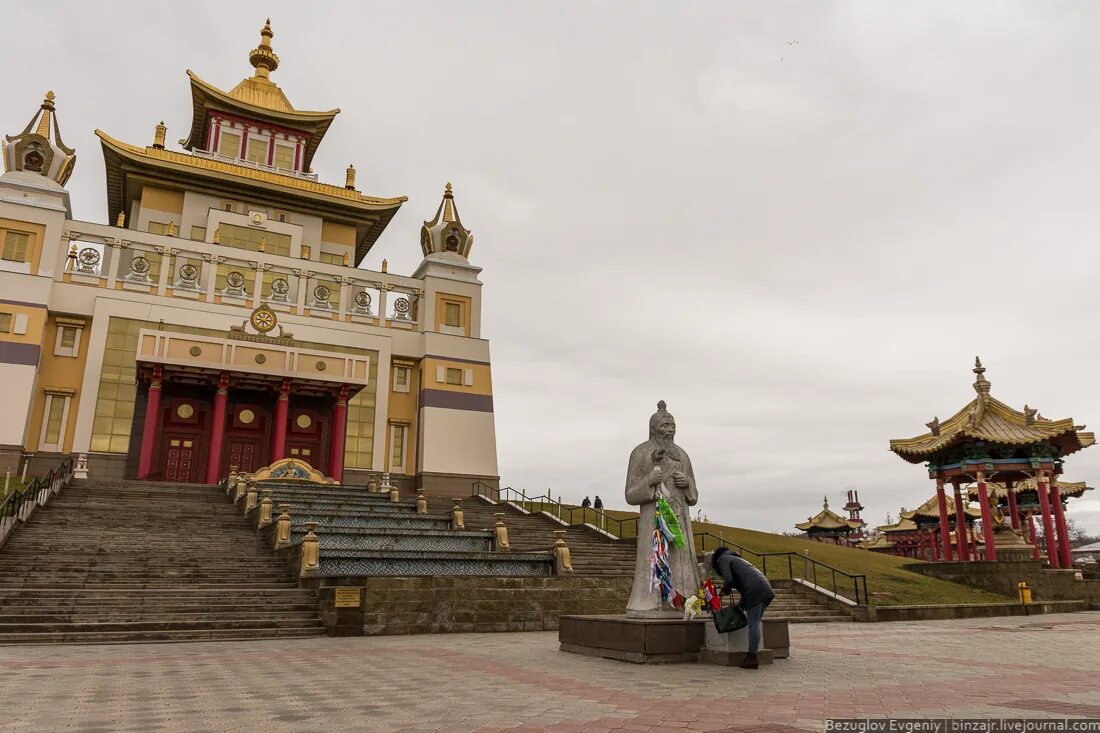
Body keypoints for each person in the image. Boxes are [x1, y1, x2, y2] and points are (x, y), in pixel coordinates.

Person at [625, 400, 700, 617]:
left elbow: (694, 494)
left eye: (673, 425)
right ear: (654, 428)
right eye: (665, 425)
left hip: (680, 518)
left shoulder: (682, 455)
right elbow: (630, 494)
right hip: (654, 519)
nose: (670, 429)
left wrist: (687, 484)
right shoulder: (640, 453)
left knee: (681, 558)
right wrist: (650, 479)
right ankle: (649, 601)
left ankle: (684, 600)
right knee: (655, 558)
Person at [710, 546, 774, 669]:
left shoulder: (722, 559)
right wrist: (740, 606)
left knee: (753, 624)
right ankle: (752, 655)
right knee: (755, 623)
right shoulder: (738, 560)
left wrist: (724, 590)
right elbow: (746, 581)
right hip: (765, 588)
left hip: (755, 590)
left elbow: (728, 579)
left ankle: (752, 657)